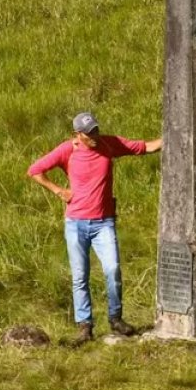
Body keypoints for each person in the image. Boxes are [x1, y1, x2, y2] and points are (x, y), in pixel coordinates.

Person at [28, 111, 162, 346]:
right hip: (76, 223)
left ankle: (115, 318)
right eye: (89, 133)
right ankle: (85, 326)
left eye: (96, 130)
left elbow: (146, 147)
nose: (94, 136)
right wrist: (60, 191)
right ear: (77, 134)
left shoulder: (109, 144)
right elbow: (35, 171)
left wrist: (174, 135)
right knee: (80, 276)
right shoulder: (67, 150)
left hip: (104, 222)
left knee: (113, 269)